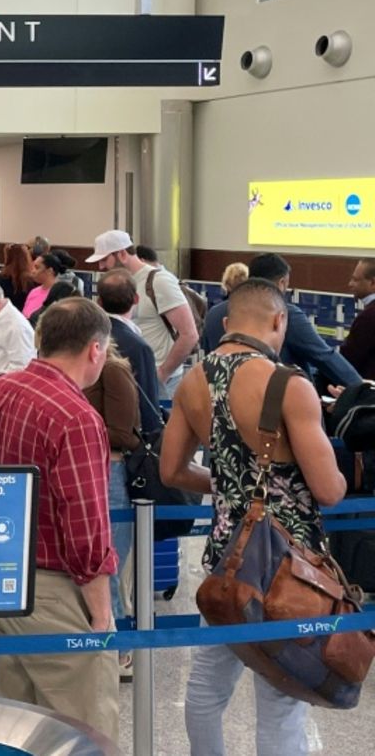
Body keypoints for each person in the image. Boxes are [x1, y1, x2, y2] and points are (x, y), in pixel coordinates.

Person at [161, 278, 346, 756]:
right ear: (278, 320)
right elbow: (328, 490)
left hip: (229, 556)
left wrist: (228, 484)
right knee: (283, 692)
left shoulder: (194, 380)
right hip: (289, 563)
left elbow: (172, 471)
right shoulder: (289, 385)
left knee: (206, 683)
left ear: (226, 324)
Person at [0, 298, 120, 742]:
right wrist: (101, 615)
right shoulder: (77, 419)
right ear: (95, 350)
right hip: (57, 592)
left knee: (19, 730)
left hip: (1, 582)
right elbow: (86, 530)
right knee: (86, 732)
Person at [200, 253, 361, 389]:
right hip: (277, 402)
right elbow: (323, 356)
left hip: (223, 402)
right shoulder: (286, 313)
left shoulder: (214, 314)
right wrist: (361, 389)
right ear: (282, 282)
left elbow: (207, 358)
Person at [81, 345, 141, 677]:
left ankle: (119, 652)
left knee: (110, 567)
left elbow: (124, 434)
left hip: (112, 474)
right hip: (91, 469)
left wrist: (74, 426)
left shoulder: (113, 371)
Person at [89, 229, 198, 397]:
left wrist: (162, 374)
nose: (101, 267)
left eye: (104, 259)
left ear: (122, 254)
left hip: (157, 381)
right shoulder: (120, 282)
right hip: (127, 376)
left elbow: (189, 335)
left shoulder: (160, 281)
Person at [96, 269, 163, 435]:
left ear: (99, 302)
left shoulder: (86, 335)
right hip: (125, 436)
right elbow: (147, 404)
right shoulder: (138, 347)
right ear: (136, 299)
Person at [341, 258, 375, 379]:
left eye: (355, 280)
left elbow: (347, 360)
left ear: (372, 283)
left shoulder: (368, 317)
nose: (350, 284)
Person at [21, 251, 67, 319]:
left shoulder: (60, 294)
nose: (33, 271)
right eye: (33, 267)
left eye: (37, 267)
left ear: (50, 271)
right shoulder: (33, 292)